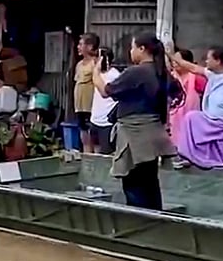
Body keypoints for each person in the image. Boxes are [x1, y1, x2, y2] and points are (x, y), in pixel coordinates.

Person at [91, 32, 178, 210]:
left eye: (132, 47)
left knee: (134, 183)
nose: (131, 51)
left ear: (142, 49)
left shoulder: (137, 72)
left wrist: (95, 74)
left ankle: (140, 223)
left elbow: (106, 91)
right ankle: (155, 221)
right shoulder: (161, 71)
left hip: (135, 133)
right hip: (153, 132)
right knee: (150, 182)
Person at [169, 46, 223, 169]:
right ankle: (189, 156)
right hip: (211, 120)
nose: (206, 62)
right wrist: (169, 54)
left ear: (217, 61)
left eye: (208, 59)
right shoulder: (212, 74)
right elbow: (192, 67)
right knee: (191, 118)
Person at [168, 48, 207, 150]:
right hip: (172, 117)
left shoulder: (196, 78)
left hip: (190, 118)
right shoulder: (170, 77)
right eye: (173, 61)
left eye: (178, 60)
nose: (174, 63)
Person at [87, 47, 120, 155]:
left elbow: (104, 92)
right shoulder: (98, 73)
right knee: (95, 151)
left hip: (106, 122)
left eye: (96, 58)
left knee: (106, 154)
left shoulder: (114, 75)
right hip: (95, 119)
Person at [74, 33, 100, 152]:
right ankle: (87, 161)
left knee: (94, 138)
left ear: (90, 47)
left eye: (81, 44)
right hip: (80, 106)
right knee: (84, 136)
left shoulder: (96, 63)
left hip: (92, 107)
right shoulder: (79, 64)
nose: (78, 47)